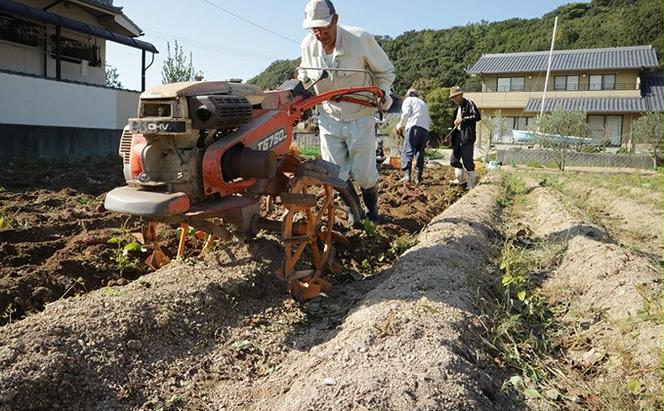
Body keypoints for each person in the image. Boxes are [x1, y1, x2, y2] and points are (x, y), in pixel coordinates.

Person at [298, 0, 395, 223]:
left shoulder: (359, 39)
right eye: (315, 29)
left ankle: (372, 210)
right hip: (328, 117)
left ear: (336, 19)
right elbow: (304, 76)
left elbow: (386, 71)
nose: (320, 34)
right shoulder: (307, 46)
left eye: (324, 27)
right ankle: (354, 211)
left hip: (359, 115)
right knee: (335, 174)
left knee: (364, 174)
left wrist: (381, 93)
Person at [396, 88, 431, 185]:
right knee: (420, 153)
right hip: (425, 129)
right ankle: (418, 178)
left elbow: (406, 113)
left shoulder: (408, 100)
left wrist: (400, 125)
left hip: (413, 126)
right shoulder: (424, 104)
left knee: (408, 151)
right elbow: (428, 119)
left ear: (408, 94)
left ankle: (407, 176)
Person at [448, 86, 481, 189]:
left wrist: (463, 119)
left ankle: (471, 183)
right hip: (458, 136)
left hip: (467, 136)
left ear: (461, 95)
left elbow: (477, 116)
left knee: (467, 161)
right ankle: (460, 180)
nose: (454, 99)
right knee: (454, 160)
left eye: (455, 97)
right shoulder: (456, 109)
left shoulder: (469, 103)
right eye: (452, 98)